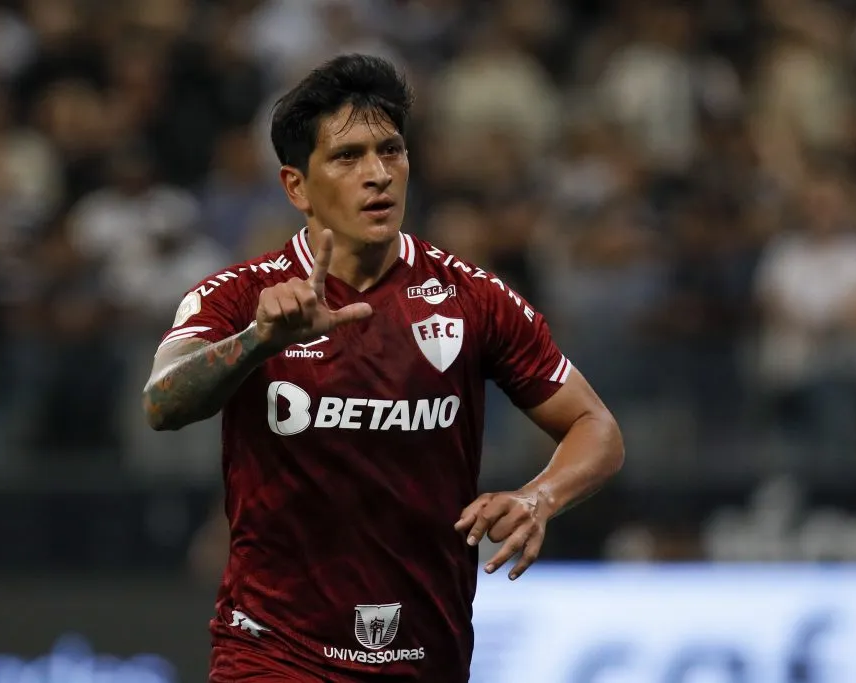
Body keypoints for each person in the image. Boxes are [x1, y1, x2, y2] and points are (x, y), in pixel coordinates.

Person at [143, 54, 624, 682]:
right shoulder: (240, 296)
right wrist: (258, 342)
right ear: (297, 187)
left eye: (390, 151)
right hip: (272, 652)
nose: (378, 175)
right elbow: (162, 401)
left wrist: (539, 497)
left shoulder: (472, 298)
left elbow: (596, 427)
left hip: (426, 655)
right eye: (347, 158)